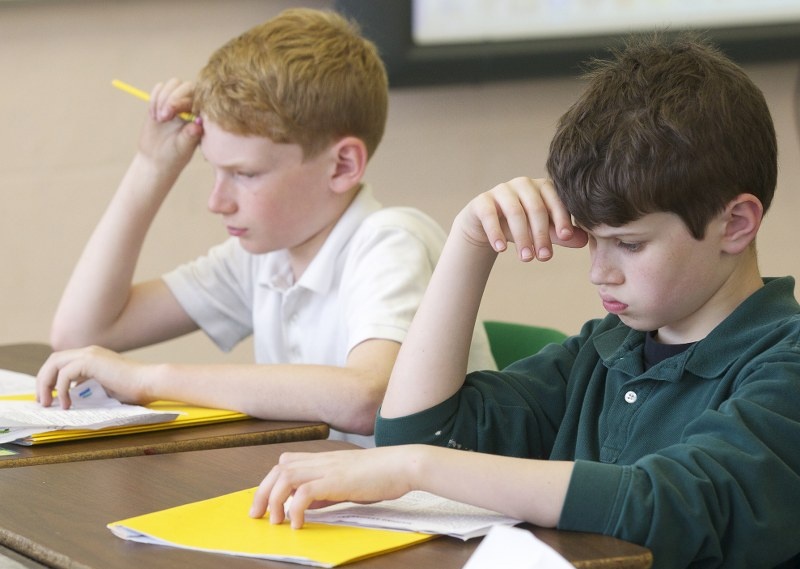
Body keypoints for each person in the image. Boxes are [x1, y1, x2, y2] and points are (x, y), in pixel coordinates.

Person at [249, 33, 800, 569]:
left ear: (736, 223)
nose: (598, 271)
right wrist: (470, 241)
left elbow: (666, 506)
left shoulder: (785, 365)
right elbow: (417, 431)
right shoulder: (605, 350)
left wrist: (417, 468)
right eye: (592, 239)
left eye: (629, 244)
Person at [34, 8, 496, 447]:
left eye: (246, 174)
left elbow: (367, 398)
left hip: (436, 505)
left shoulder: (391, 240)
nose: (217, 202)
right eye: (215, 170)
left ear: (342, 165)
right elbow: (83, 333)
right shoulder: (265, 257)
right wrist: (152, 166)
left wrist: (148, 379)